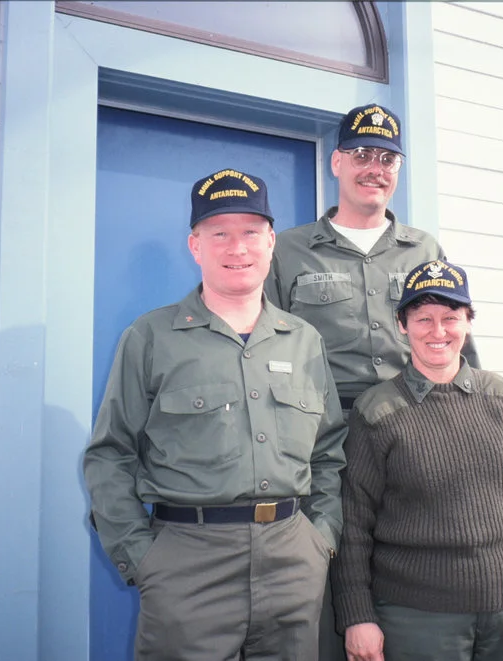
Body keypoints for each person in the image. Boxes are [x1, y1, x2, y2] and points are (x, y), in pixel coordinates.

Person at [83, 168, 346, 661]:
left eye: (250, 232)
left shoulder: (305, 340)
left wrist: (321, 539)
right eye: (218, 233)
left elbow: (329, 450)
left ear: (272, 242)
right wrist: (144, 559)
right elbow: (110, 455)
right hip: (187, 564)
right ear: (194, 246)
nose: (237, 247)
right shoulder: (152, 337)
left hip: (293, 562)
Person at [333, 259, 503, 661]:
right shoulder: (377, 411)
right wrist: (357, 616)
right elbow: (353, 525)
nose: (438, 332)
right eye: (423, 319)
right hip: (417, 619)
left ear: (468, 322)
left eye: (451, 318)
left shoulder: (500, 397)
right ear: (402, 324)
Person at [266, 103, 479, 413]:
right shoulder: (288, 251)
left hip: (414, 419)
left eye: (388, 159)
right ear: (337, 162)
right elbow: (266, 346)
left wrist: (472, 409)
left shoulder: (424, 251)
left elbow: (457, 340)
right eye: (362, 155)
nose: (375, 170)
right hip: (324, 428)